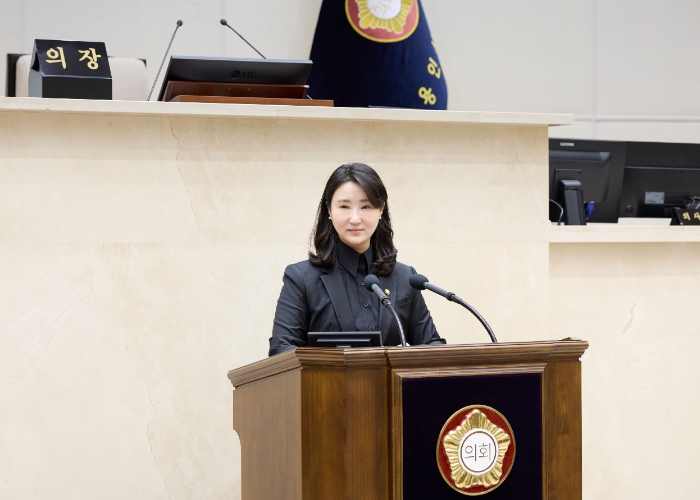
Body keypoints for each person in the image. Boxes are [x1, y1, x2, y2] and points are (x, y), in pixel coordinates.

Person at [268, 163, 446, 356]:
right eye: (344, 206)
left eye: (366, 206)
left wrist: (403, 360)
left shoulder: (406, 277)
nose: (355, 218)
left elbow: (433, 345)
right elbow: (281, 349)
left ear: (381, 210)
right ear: (329, 209)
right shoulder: (301, 278)